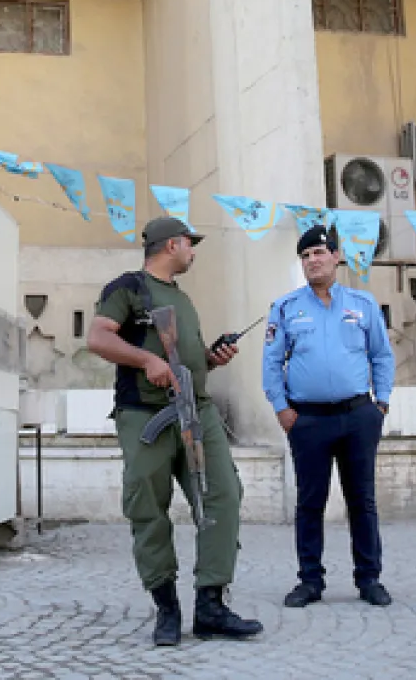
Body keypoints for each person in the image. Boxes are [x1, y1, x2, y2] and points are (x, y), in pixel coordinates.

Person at [87, 216, 264, 646]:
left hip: (196, 410)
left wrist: (209, 357)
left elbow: (183, 358)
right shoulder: (127, 287)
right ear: (170, 245)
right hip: (145, 415)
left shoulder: (181, 299)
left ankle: (211, 605)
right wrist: (146, 361)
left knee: (223, 493)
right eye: (190, 242)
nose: (193, 250)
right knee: (148, 506)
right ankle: (166, 607)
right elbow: (97, 338)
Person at [262, 223, 395, 608]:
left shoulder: (363, 305)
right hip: (308, 421)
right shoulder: (286, 308)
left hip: (358, 416)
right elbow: (271, 362)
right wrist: (283, 410)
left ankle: (369, 579)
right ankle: (310, 581)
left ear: (336, 256)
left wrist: (380, 403)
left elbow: (381, 355)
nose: (312, 261)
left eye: (319, 253)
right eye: (305, 256)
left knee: (362, 501)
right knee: (310, 502)